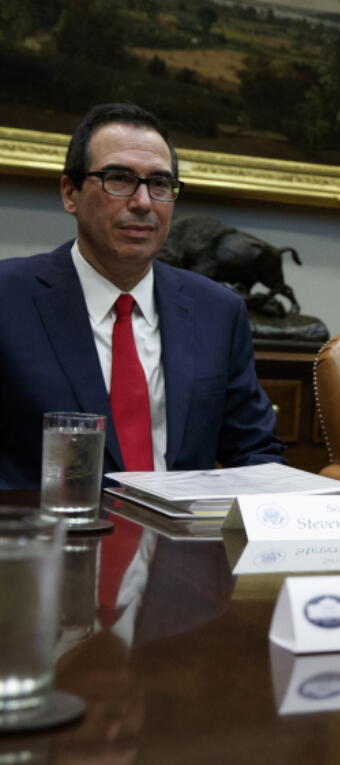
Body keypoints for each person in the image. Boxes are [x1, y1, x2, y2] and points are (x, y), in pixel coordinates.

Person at [0, 103, 282, 489]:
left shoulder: (217, 311)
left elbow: (255, 453)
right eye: (119, 179)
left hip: (180, 544)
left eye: (160, 184)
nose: (143, 202)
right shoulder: (9, 298)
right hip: (44, 541)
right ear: (70, 193)